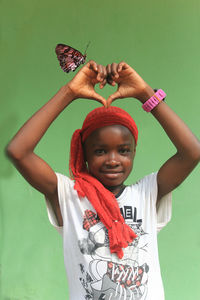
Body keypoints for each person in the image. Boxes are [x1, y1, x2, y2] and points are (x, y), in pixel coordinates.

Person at [6, 60, 200, 300]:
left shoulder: (147, 193)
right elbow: (18, 151)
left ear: (134, 153)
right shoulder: (68, 196)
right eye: (100, 151)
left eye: (123, 150)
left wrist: (145, 94)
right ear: (83, 154)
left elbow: (192, 152)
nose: (112, 160)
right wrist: (69, 92)